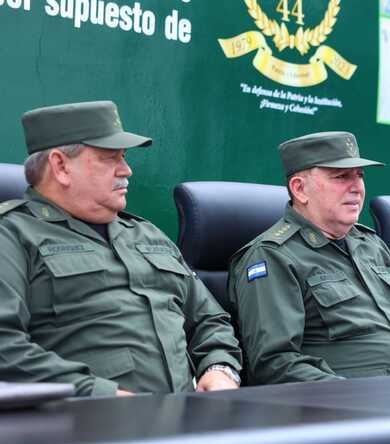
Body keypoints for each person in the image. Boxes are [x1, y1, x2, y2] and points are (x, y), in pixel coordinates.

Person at [0, 101, 242, 397]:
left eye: (124, 157)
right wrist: (99, 394)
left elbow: (209, 319)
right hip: (84, 418)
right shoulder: (12, 233)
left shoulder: (146, 233)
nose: (126, 170)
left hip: (184, 415)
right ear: (61, 166)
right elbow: (5, 346)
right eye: (109, 158)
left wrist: (220, 369)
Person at [228, 131, 390, 384]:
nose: (357, 188)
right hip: (338, 402)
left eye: (360, 176)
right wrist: (350, 396)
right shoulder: (272, 256)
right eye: (341, 176)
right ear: (300, 189)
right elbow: (275, 363)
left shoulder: (371, 245)